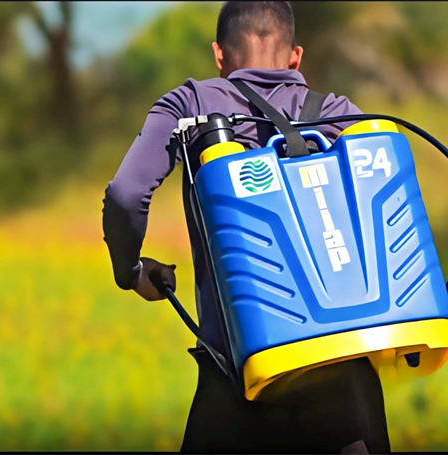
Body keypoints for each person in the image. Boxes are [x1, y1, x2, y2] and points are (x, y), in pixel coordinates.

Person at [102, 2, 391, 453]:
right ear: (295, 57)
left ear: (219, 55)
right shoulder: (339, 114)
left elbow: (125, 194)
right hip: (342, 384)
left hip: (236, 384)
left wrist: (132, 273)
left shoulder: (192, 104)